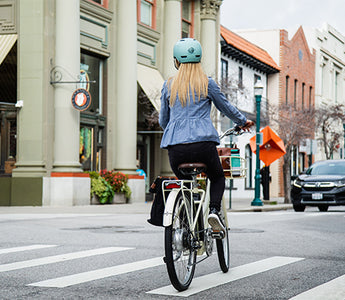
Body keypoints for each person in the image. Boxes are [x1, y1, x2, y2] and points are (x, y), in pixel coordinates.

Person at [159, 38, 254, 233]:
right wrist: (242, 122)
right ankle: (213, 211)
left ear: (176, 61)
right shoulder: (207, 83)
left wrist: (175, 133)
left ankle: (187, 220)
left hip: (176, 149)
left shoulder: (168, 85)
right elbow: (225, 107)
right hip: (203, 145)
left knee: (184, 185)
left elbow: (163, 120)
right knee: (217, 177)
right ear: (199, 60)